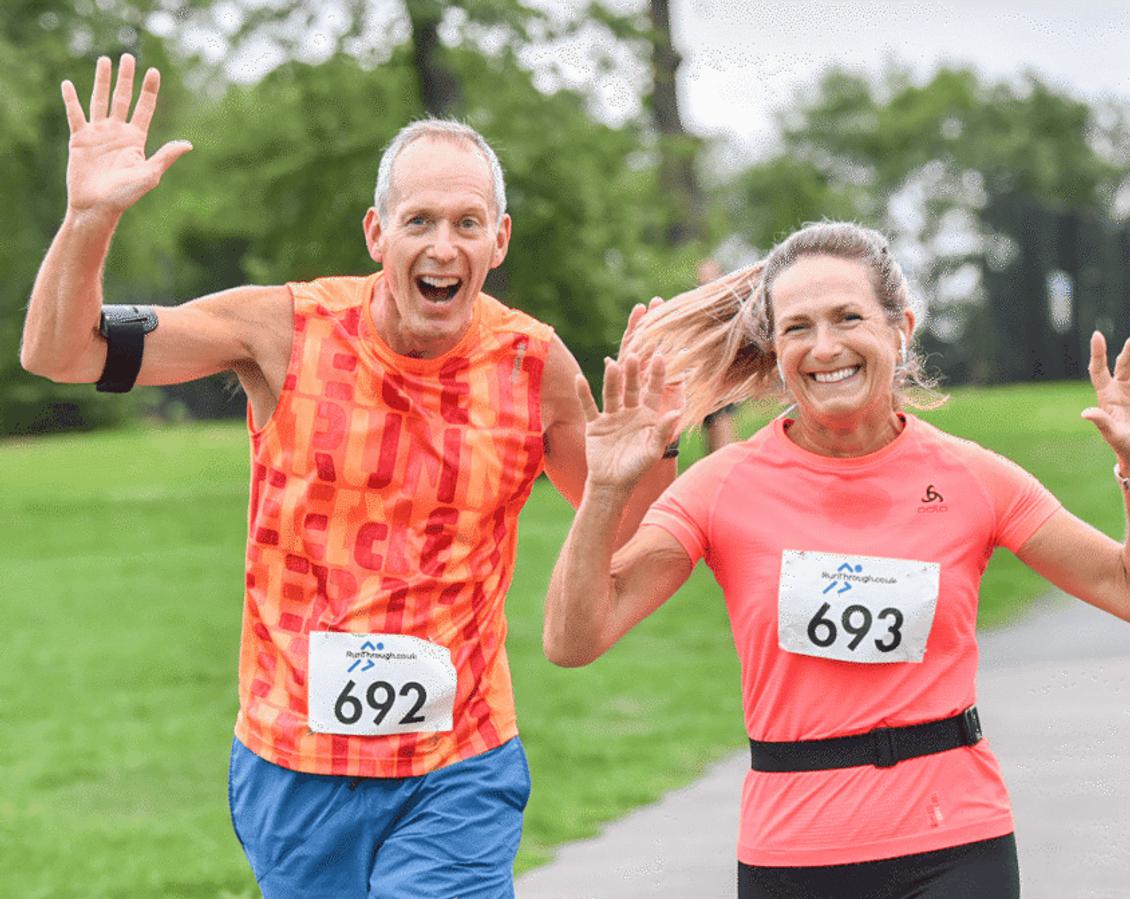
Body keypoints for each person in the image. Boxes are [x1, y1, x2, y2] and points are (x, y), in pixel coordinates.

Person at [19, 55, 676, 897]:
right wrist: (88, 219)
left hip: (460, 760)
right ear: (378, 233)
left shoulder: (533, 362)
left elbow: (613, 521)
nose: (444, 246)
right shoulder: (283, 330)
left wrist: (655, 447)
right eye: (421, 221)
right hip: (293, 762)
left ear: (498, 241)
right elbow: (59, 352)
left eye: (469, 223)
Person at [542, 222, 1130, 898]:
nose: (825, 348)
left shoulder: (972, 477)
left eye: (848, 317)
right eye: (797, 328)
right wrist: (607, 488)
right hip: (793, 850)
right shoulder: (723, 486)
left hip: (955, 841)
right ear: (774, 348)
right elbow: (572, 639)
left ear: (899, 327)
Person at [696, 257, 740, 453]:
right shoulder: (700, 306)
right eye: (703, 279)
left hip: (723, 380)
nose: (707, 283)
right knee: (712, 433)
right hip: (705, 380)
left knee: (722, 428)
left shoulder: (728, 307)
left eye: (710, 277)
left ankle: (728, 469)